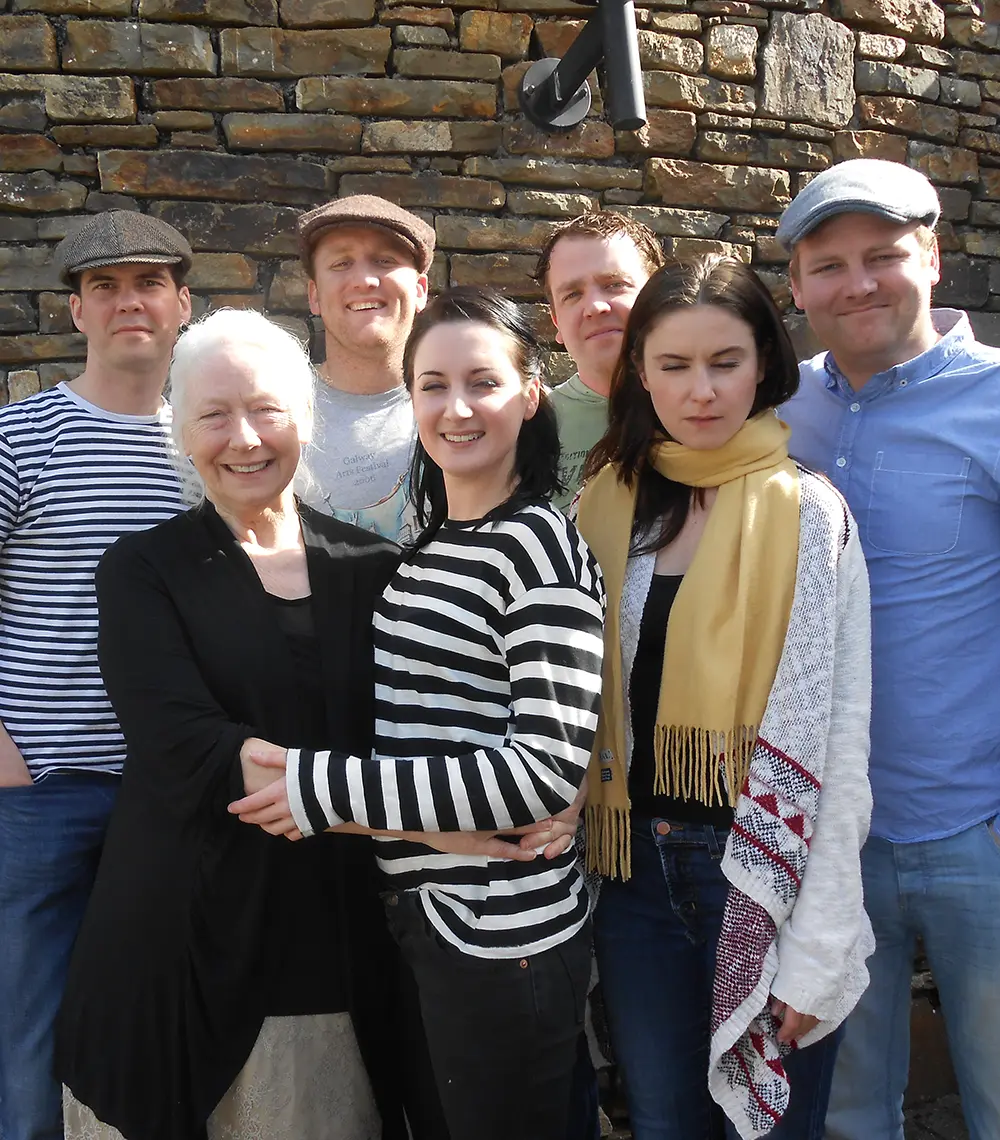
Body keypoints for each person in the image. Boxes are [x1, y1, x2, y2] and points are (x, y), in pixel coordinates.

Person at [230, 288, 606, 1140]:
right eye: (432, 385)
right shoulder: (434, 542)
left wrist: (317, 788)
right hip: (429, 918)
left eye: (482, 382)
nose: (456, 408)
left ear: (530, 393)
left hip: (500, 936)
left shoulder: (537, 545)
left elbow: (541, 775)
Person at [575, 255, 875, 1140]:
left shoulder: (811, 514)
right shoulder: (605, 506)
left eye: (725, 362)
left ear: (765, 366)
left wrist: (816, 952)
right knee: (665, 1123)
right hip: (630, 875)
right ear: (639, 371)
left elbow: (839, 741)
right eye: (673, 365)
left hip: (760, 872)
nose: (700, 391)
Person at [777, 159, 1000, 1140]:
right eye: (828, 265)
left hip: (976, 832)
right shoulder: (780, 415)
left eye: (883, 256)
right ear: (795, 287)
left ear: (934, 258)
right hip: (829, 843)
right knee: (847, 1110)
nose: (856, 283)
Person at [0, 210, 192, 1140]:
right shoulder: (20, 436)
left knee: (166, 1028)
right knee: (26, 1040)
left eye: (148, 282)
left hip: (172, 796)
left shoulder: (207, 448)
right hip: (40, 790)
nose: (129, 302)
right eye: (105, 287)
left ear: (182, 303)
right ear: (76, 310)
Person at [297, 194, 434, 544]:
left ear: (420, 290)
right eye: (341, 263)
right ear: (314, 295)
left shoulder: (469, 408)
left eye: (384, 261)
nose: (364, 281)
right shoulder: (274, 413)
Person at [535, 211, 665, 510]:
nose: (594, 306)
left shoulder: (712, 409)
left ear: (658, 294)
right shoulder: (529, 430)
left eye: (614, 284)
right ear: (556, 321)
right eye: (572, 294)